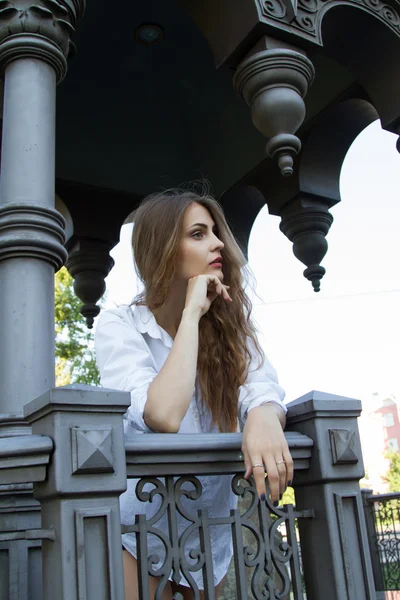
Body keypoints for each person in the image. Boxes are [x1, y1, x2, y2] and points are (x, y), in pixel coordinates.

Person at [95, 187, 293, 600]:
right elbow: (162, 414)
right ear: (164, 248)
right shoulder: (120, 325)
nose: (219, 242)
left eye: (215, 232)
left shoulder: (231, 328)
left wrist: (261, 415)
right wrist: (190, 314)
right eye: (199, 234)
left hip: (208, 535)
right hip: (137, 533)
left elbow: (262, 386)